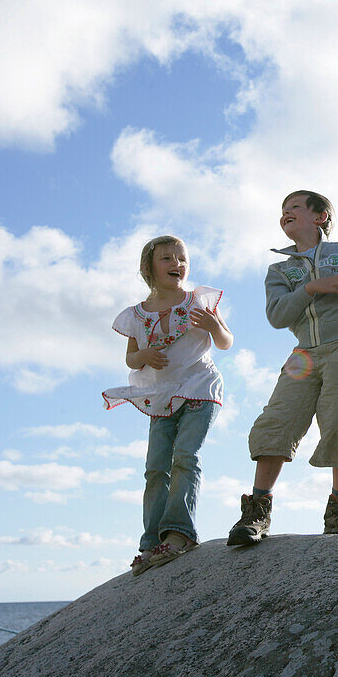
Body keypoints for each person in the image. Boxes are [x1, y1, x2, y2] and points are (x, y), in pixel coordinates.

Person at [227, 190, 338, 546]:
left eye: (293, 207)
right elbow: (277, 315)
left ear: (320, 216)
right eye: (282, 211)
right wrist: (311, 287)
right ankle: (257, 510)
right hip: (303, 352)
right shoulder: (278, 269)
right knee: (277, 419)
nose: (285, 214)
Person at [103, 235, 233, 575]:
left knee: (186, 456)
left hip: (200, 387)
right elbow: (132, 358)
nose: (177, 263)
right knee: (155, 468)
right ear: (149, 267)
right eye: (167, 258)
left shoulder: (198, 301)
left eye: (182, 257)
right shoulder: (136, 314)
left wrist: (214, 325)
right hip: (162, 396)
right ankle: (151, 542)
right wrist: (143, 355)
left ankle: (179, 534)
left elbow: (225, 342)